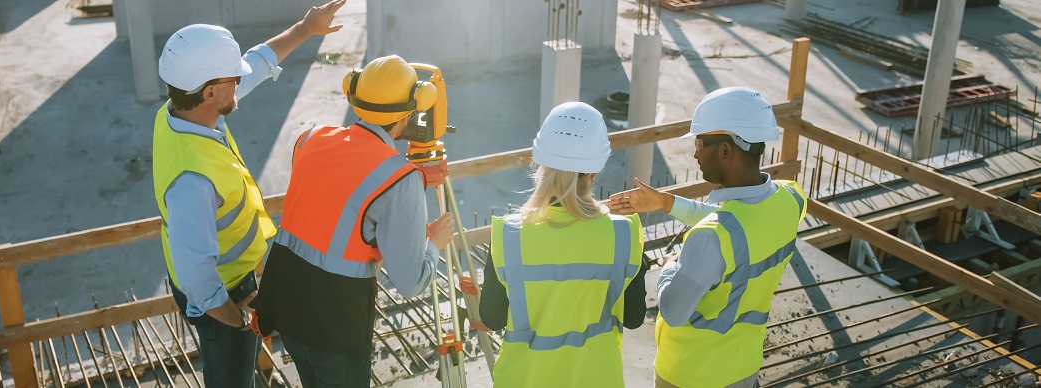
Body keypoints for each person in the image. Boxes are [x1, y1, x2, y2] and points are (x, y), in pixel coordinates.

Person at [151, 2, 346, 386]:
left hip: (231, 278)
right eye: (232, 79)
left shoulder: (177, 112)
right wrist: (238, 319)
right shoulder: (193, 181)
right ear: (209, 92)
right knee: (231, 379)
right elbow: (197, 278)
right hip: (224, 295)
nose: (240, 80)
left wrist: (304, 29)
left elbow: (254, 65)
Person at [252, 55, 456, 388]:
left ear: (354, 91)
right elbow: (411, 282)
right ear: (414, 106)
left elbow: (334, 211)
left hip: (286, 307)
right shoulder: (399, 179)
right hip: (336, 326)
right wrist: (433, 244)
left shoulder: (311, 139)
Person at [607, 87, 808, 388]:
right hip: (745, 367)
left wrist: (670, 267)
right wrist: (665, 202)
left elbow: (673, 311)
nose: (695, 153)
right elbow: (742, 225)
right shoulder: (791, 198)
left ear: (726, 150)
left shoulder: (710, 239)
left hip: (691, 375)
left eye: (700, 143)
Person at [466, 102, 646, 387]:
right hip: (597, 379)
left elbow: (493, 317)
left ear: (543, 165)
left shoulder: (508, 235)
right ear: (593, 173)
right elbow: (634, 317)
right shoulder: (624, 233)